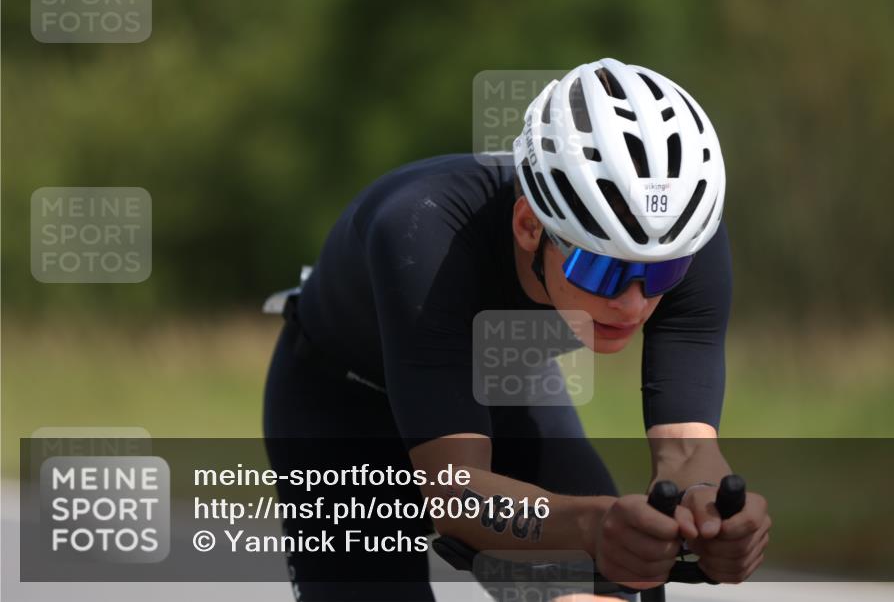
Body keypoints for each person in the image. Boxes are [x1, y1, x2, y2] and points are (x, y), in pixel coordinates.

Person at [263, 57, 770, 602]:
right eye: (602, 269)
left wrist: (715, 508)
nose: (634, 303)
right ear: (530, 226)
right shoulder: (422, 231)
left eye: (664, 273)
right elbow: (455, 495)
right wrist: (593, 527)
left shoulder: (682, 232)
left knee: (605, 592)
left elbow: (688, 452)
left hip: (501, 377)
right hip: (344, 409)